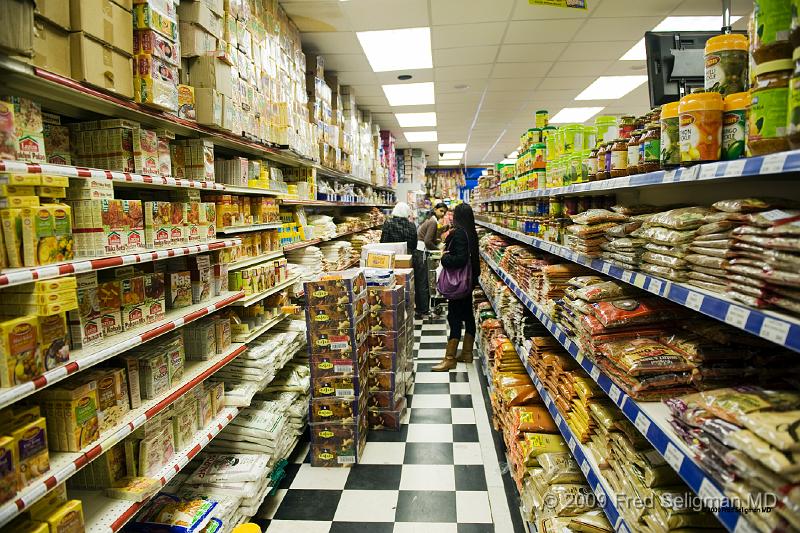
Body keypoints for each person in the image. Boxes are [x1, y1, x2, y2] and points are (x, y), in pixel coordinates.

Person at [432, 203, 480, 372]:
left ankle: (450, 358)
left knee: (454, 317)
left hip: (458, 284)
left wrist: (444, 259)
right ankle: (467, 353)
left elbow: (459, 259)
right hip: (469, 281)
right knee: (468, 316)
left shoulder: (459, 234)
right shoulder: (472, 233)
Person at [414, 203, 448, 317]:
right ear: (435, 210)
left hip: (419, 252)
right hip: (422, 253)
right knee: (423, 282)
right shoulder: (433, 222)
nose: (443, 214)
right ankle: (423, 309)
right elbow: (428, 241)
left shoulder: (432, 221)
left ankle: (420, 308)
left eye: (444, 212)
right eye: (441, 211)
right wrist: (438, 251)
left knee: (421, 281)